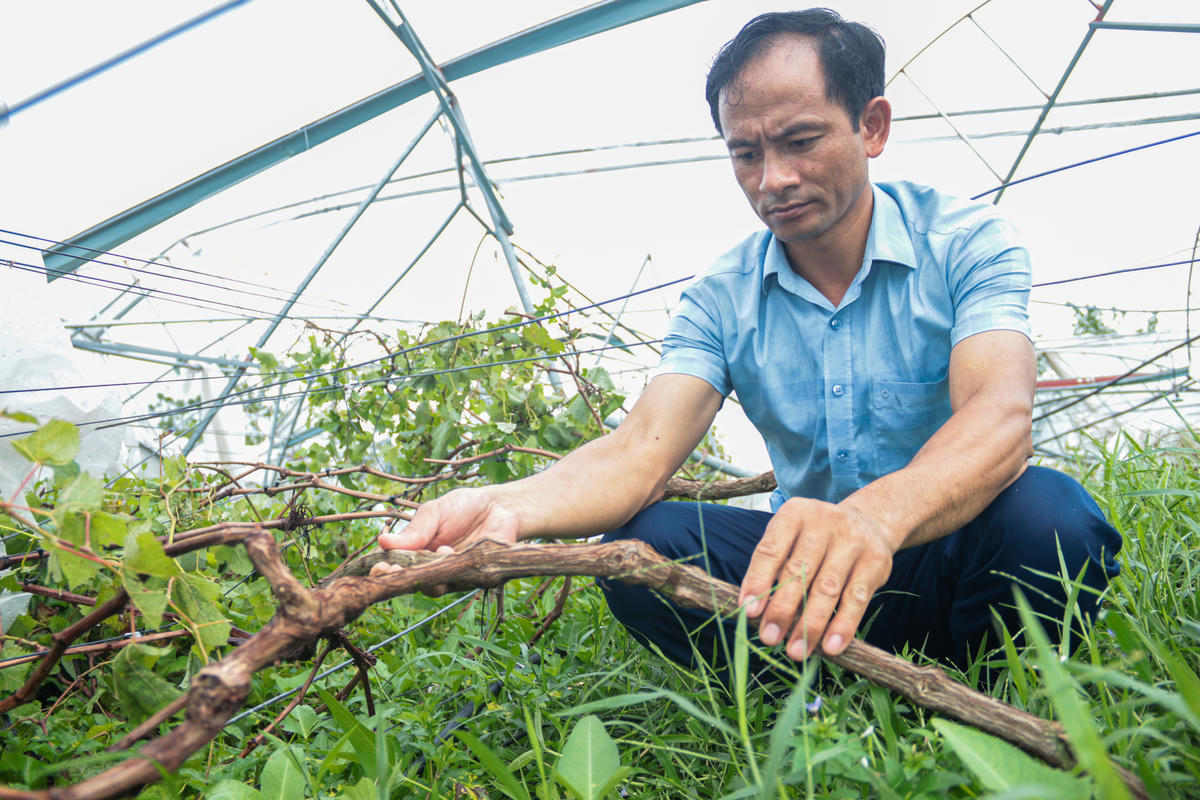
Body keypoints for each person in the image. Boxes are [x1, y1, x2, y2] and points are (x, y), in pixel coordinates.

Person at [374, 9, 1121, 679]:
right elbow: (638, 451)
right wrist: (501, 506)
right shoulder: (722, 297)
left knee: (1048, 517)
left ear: (871, 126)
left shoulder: (964, 243)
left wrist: (869, 520)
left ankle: (991, 677)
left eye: (801, 142)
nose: (774, 180)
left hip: (947, 551)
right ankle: (816, 684)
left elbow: (998, 417)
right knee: (644, 544)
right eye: (746, 155)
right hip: (794, 580)